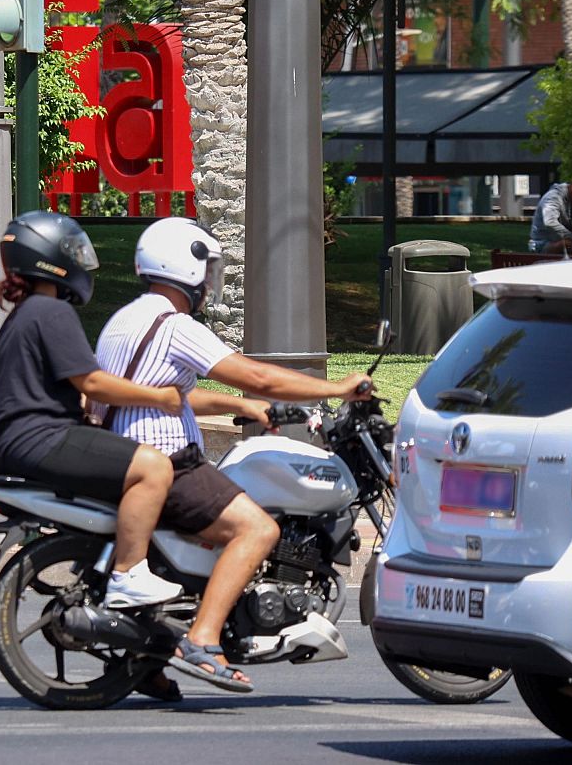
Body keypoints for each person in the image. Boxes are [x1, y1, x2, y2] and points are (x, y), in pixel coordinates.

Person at [96, 218, 372, 694]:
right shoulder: (176, 325)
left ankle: (148, 660)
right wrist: (337, 388)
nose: (209, 283)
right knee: (257, 527)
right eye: (207, 270)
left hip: (125, 456)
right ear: (184, 266)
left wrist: (237, 406)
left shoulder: (124, 320)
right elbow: (256, 376)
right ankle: (203, 641)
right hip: (169, 462)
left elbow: (166, 394)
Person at [0, 211, 185, 611]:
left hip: (16, 442)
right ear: (50, 257)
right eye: (73, 251)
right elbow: (92, 383)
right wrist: (160, 397)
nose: (81, 260)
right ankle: (129, 574)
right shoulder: (51, 311)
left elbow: (63, 386)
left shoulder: (23, 316)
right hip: (42, 439)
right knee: (154, 468)